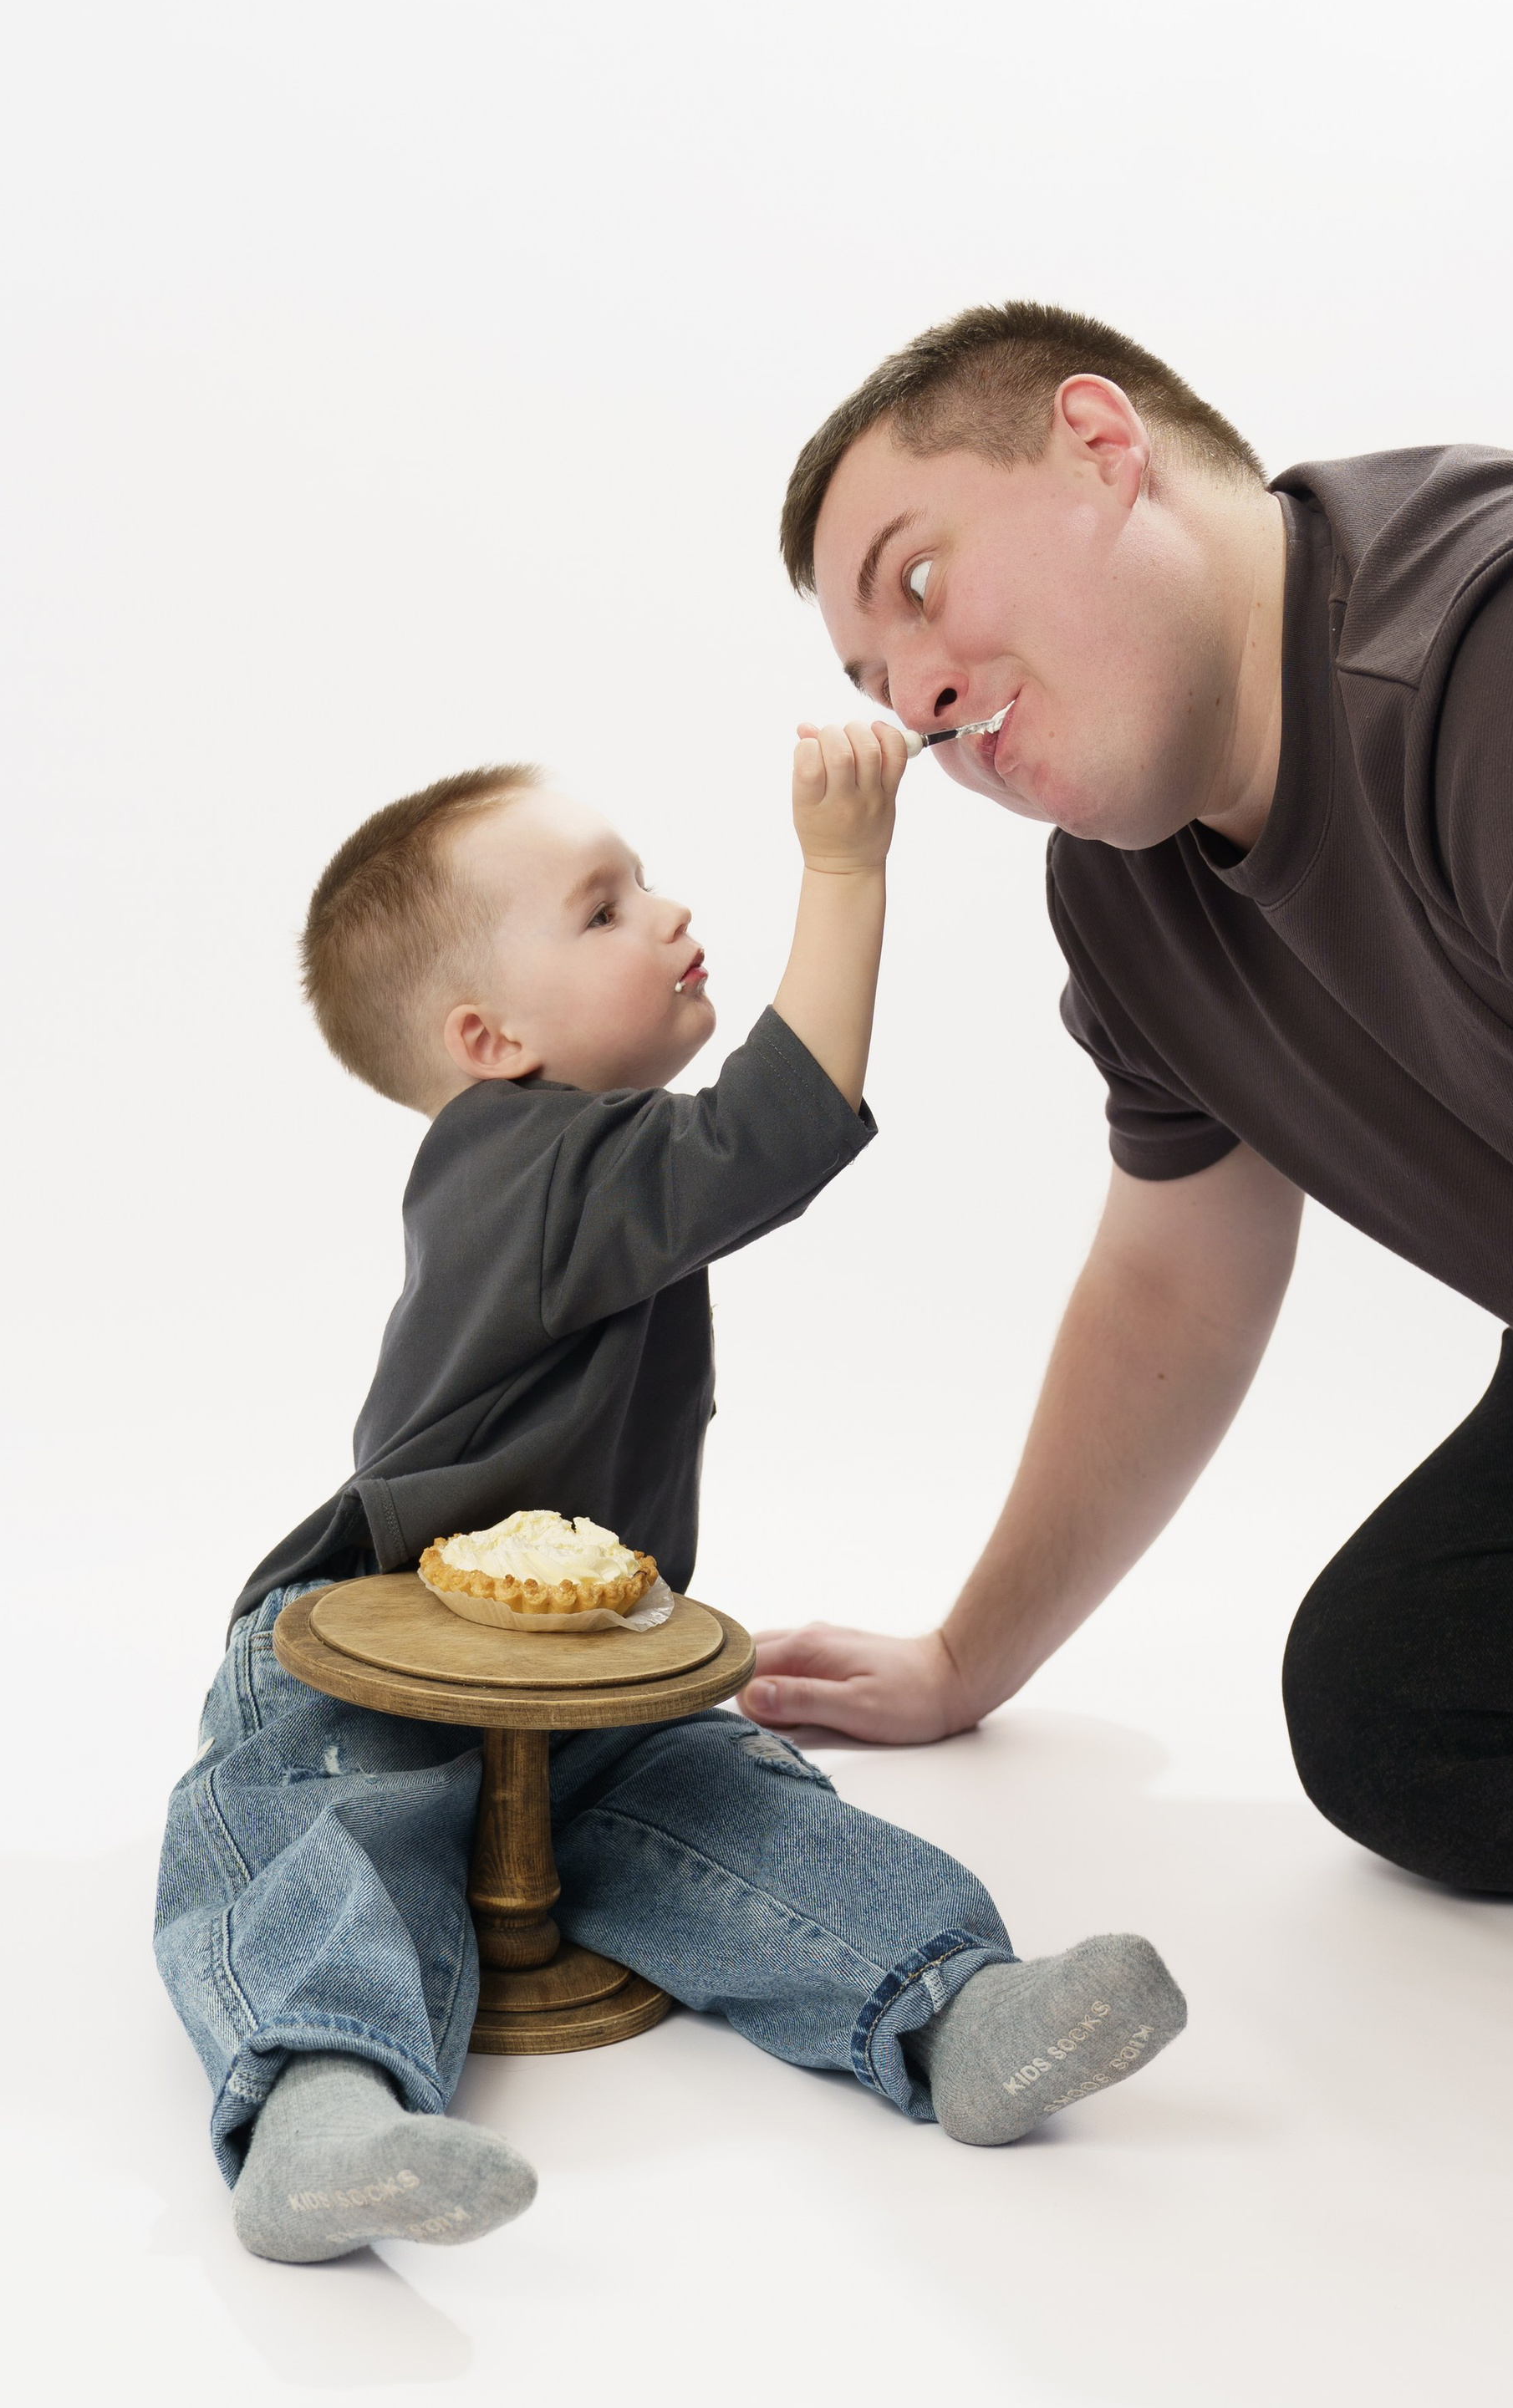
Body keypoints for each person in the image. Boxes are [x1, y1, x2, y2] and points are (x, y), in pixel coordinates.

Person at [744, 299, 1513, 2208]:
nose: (920, 698)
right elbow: (1172, 1286)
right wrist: (968, 1655)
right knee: (1407, 1707)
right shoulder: (1127, 903)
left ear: (1094, 442)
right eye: (879, 678)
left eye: (918, 580)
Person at [154, 721, 1185, 2263]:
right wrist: (843, 874)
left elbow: (723, 1159)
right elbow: (769, 1133)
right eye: (603, 907)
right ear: (487, 1040)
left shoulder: (587, 1164)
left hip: (589, 1672)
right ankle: (320, 2102)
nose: (667, 916)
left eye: (644, 886)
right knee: (325, 1827)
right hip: (372, 1640)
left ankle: (951, 2008)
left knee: (728, 1803)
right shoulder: (516, 1161)